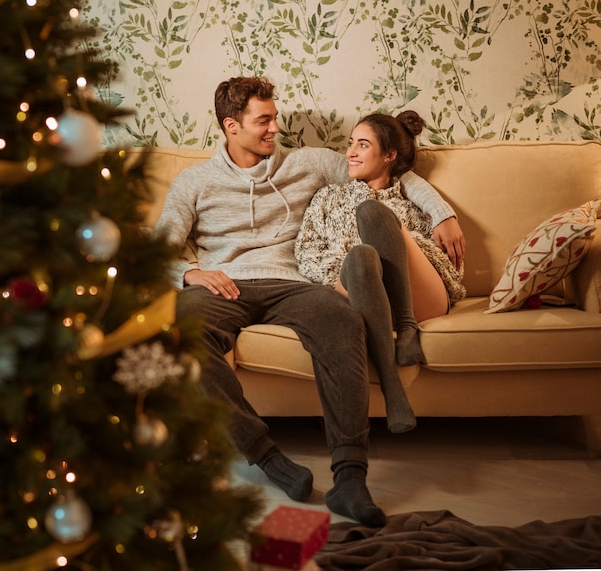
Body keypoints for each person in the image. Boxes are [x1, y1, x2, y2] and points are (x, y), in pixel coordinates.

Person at [153, 77, 465, 527]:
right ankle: (266, 457)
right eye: (264, 120)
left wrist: (444, 213)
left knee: (343, 322)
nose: (275, 128)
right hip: (223, 285)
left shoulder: (310, 164)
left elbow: (390, 170)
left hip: (296, 283)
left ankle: (351, 477)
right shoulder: (195, 181)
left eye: (274, 117)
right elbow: (157, 249)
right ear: (230, 125)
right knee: (177, 332)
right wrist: (188, 273)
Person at [295, 111, 466, 433]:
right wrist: (360, 271)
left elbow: (451, 272)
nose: (350, 153)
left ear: (389, 155)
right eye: (351, 144)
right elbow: (306, 253)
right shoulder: (327, 198)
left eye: (362, 145)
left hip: (421, 300)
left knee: (373, 213)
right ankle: (393, 386)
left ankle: (405, 322)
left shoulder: (415, 203)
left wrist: (400, 239)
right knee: (361, 257)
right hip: (356, 293)